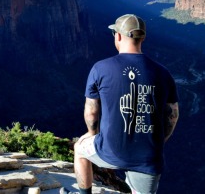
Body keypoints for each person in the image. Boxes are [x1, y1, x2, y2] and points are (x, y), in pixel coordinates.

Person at [71, 14, 179, 194]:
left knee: (80, 150)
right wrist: (158, 141)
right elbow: (172, 116)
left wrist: (92, 134)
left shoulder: (100, 68)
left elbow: (91, 112)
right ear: (142, 38)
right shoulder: (163, 73)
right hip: (148, 158)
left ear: (118, 36)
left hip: (109, 150)